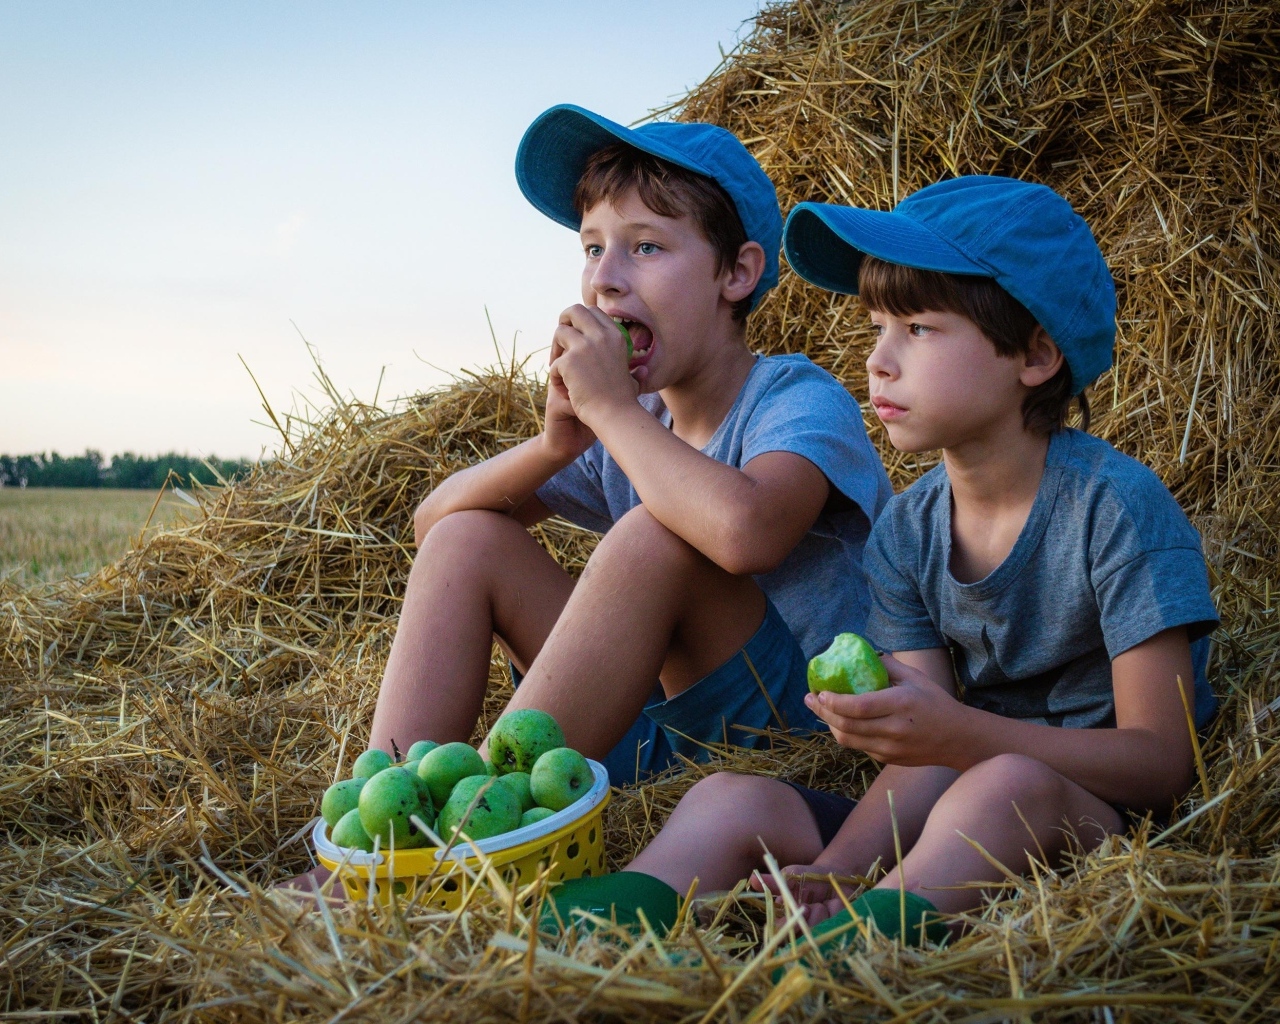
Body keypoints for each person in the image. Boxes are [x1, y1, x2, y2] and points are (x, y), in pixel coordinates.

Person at [545, 176, 1218, 948]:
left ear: (1034, 354)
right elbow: (923, 753)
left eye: (920, 330)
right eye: (878, 326)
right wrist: (831, 868)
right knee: (727, 800)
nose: (879, 361)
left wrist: (958, 735)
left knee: (999, 788)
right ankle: (584, 939)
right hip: (951, 797)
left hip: (1085, 817)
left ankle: (838, 956)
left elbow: (1162, 764)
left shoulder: (1115, 509)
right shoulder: (908, 530)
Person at [366, 104, 891, 789]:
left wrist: (611, 411)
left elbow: (746, 535)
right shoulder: (630, 421)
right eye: (591, 247)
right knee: (470, 541)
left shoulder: (795, 398)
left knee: (656, 536)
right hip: (648, 733)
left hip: (789, 738)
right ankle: (380, 818)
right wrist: (555, 443)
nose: (605, 278)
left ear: (735, 274)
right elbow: (435, 529)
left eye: (645, 246)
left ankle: (475, 825)